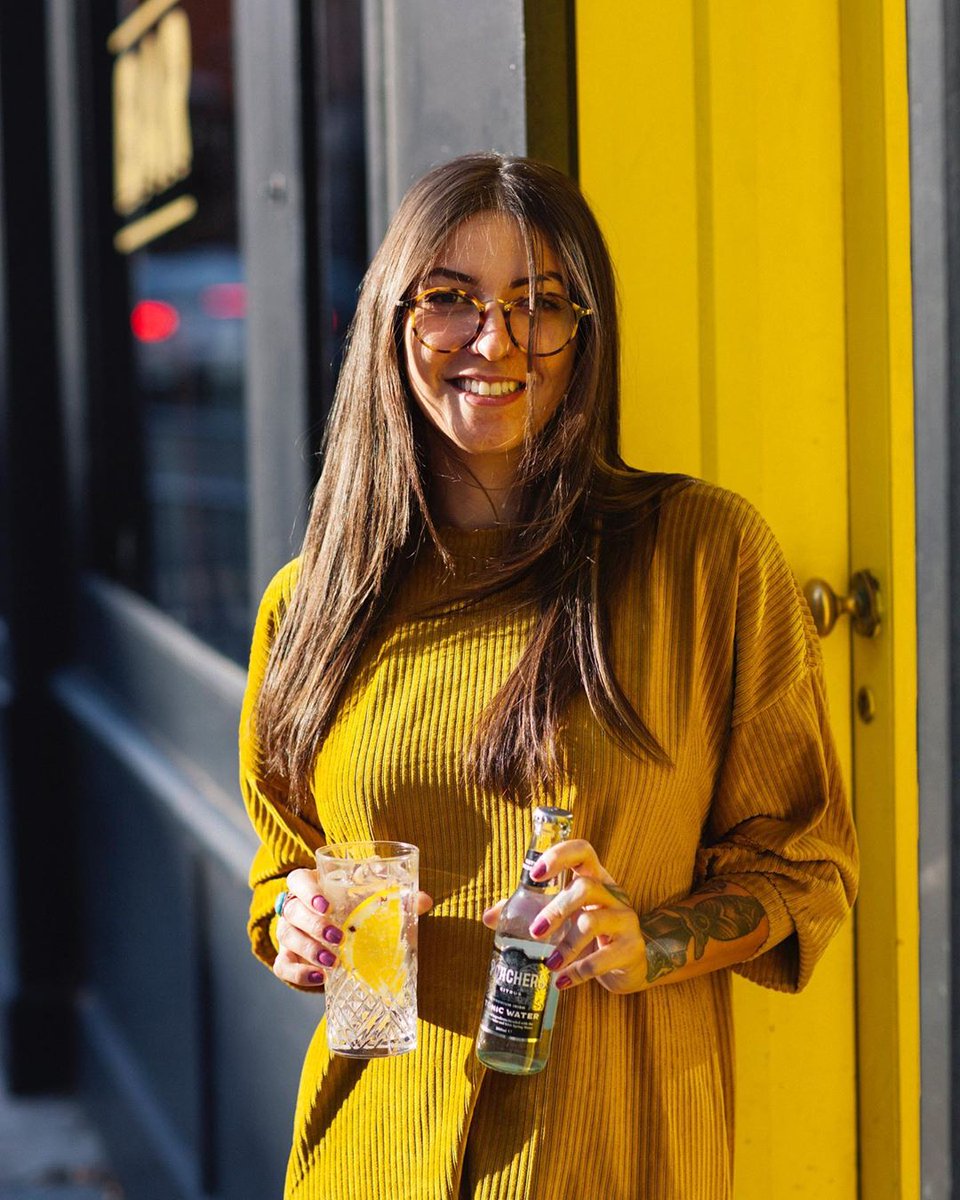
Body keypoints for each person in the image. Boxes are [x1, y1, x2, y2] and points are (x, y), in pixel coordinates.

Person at [239, 153, 858, 1200]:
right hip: (369, 1155)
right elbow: (283, 866)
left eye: (540, 303)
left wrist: (649, 938)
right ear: (392, 322)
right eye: (451, 299)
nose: (496, 340)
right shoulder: (312, 602)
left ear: (587, 334)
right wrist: (293, 924)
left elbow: (807, 869)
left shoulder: (702, 556)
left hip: (609, 1154)